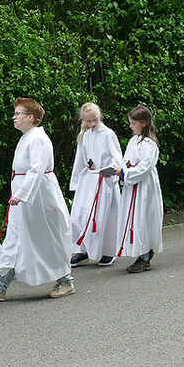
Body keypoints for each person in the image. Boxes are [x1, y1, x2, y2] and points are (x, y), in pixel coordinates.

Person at [0, 98, 75, 300]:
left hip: (38, 198)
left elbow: (37, 169)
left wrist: (21, 194)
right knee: (18, 238)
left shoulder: (37, 138)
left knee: (43, 238)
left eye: (18, 114)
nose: (14, 117)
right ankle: (0, 285)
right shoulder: (28, 136)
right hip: (27, 197)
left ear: (31, 117)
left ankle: (66, 281)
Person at [68, 102, 123, 268]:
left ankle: (109, 251)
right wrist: (76, 180)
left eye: (95, 120)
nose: (92, 124)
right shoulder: (84, 134)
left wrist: (111, 173)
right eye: (89, 121)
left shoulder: (108, 134)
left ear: (100, 117)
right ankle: (82, 250)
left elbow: (116, 156)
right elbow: (80, 159)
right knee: (79, 215)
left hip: (104, 180)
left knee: (104, 217)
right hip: (88, 180)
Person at [114, 105, 164, 273]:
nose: (131, 126)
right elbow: (126, 160)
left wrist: (125, 172)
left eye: (133, 123)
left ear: (143, 123)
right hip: (132, 185)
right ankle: (140, 252)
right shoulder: (133, 141)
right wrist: (121, 170)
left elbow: (145, 167)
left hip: (145, 187)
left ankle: (145, 255)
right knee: (135, 218)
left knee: (143, 218)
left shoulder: (150, 144)